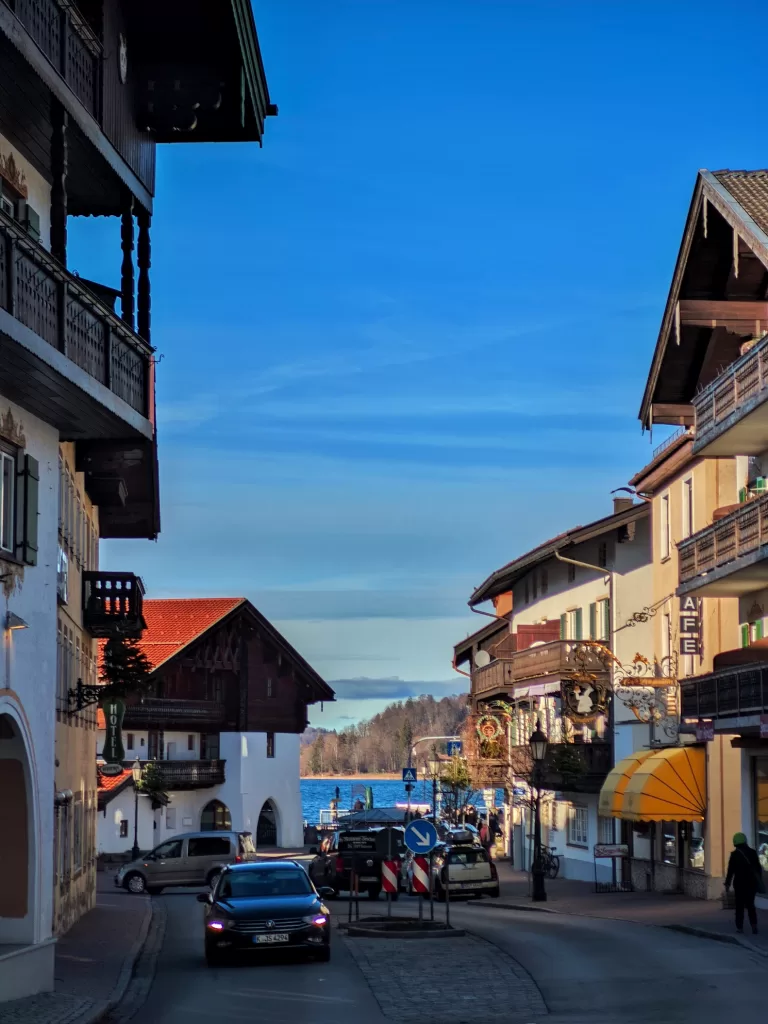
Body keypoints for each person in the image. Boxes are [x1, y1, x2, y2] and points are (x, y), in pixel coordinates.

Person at [725, 832, 763, 934]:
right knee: (751, 905)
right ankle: (754, 926)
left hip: (739, 885)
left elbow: (730, 871)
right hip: (751, 884)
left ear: (735, 842)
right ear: (745, 841)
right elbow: (758, 868)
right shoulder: (753, 853)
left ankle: (740, 927)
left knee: (739, 906)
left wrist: (727, 884)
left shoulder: (734, 855)